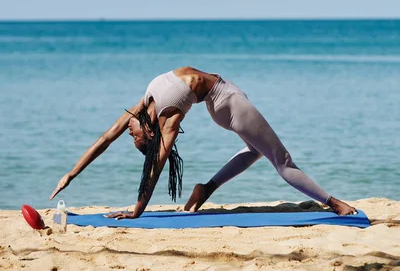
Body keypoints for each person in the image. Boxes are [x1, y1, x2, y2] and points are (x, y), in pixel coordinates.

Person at [50, 67, 357, 218]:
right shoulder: (167, 118)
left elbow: (105, 137)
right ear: (152, 132)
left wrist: (71, 174)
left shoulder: (144, 104)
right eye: (135, 138)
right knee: (282, 159)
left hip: (223, 103)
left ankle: (206, 188)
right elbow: (154, 166)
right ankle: (335, 203)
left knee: (257, 151)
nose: (129, 133)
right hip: (228, 102)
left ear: (146, 129)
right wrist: (137, 210)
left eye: (132, 135)